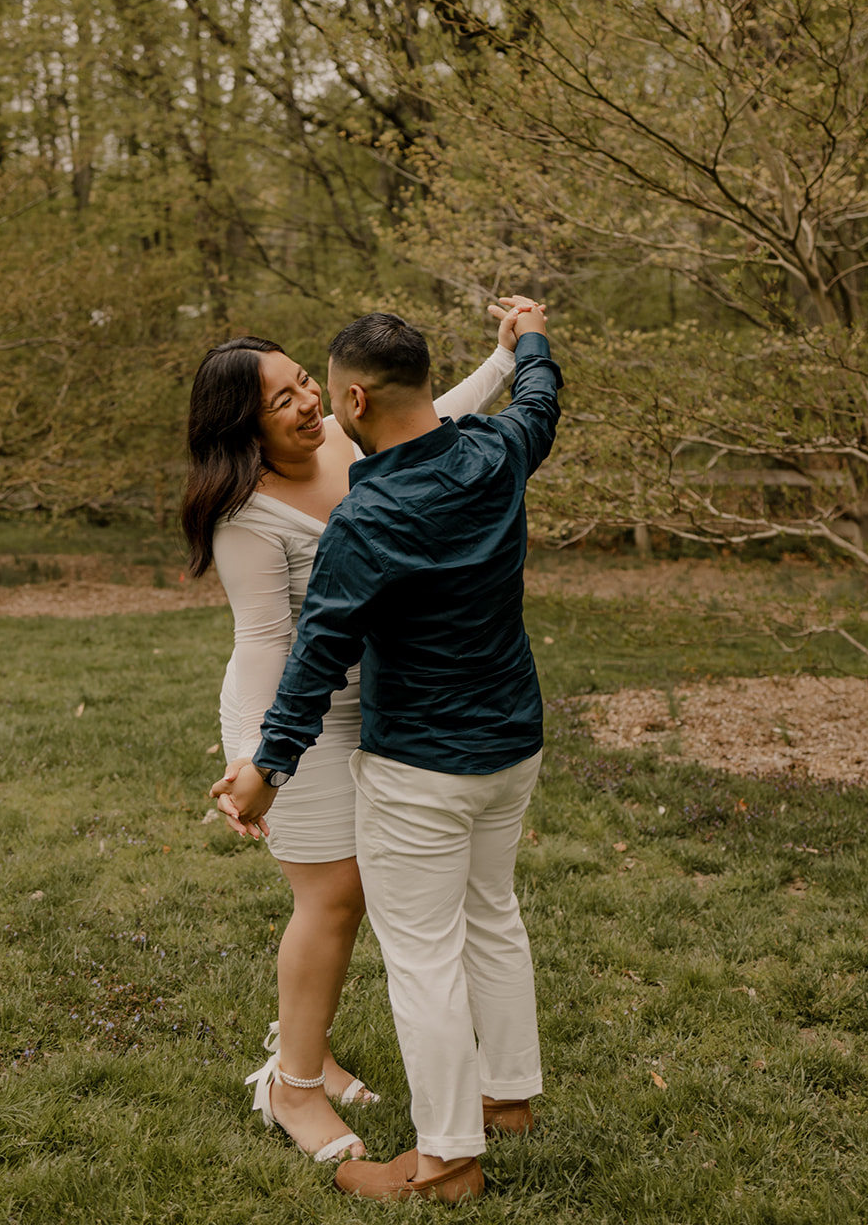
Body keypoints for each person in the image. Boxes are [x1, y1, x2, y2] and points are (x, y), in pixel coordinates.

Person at [218, 303, 561, 1203]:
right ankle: (508, 1097)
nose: (317, 411)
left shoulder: (364, 516)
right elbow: (541, 399)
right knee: (492, 913)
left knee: (422, 955)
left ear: (355, 399)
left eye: (323, 395)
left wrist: (265, 769)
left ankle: (446, 1159)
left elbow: (314, 658)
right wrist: (529, 339)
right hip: (512, 744)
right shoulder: (498, 450)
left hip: (424, 765)